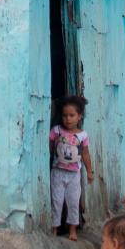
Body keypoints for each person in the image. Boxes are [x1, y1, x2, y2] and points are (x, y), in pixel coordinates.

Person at [49, 96, 93, 241]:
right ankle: (55, 229)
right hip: (57, 173)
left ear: (79, 116)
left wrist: (90, 172)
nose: (68, 119)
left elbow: (85, 154)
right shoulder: (56, 131)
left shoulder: (82, 135)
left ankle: (72, 229)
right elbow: (50, 147)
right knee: (57, 201)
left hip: (74, 175)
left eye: (72, 115)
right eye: (65, 115)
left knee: (73, 202)